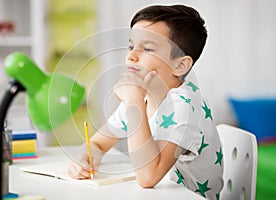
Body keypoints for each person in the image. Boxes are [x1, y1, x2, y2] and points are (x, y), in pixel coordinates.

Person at [68, 4, 224, 200]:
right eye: (131, 46)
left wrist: (133, 100)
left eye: (148, 49)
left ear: (180, 65)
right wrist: (86, 158)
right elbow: (98, 143)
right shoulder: (142, 95)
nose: (131, 56)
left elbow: (148, 177)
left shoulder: (185, 104)